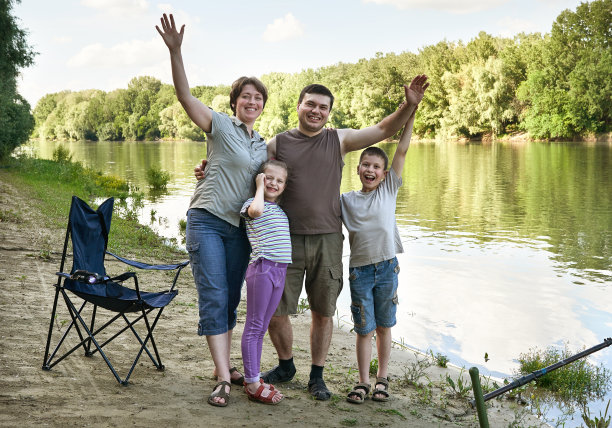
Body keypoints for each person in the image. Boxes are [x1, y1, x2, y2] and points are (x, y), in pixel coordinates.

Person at [196, 75, 429, 400]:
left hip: (328, 240)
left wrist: (409, 105)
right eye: (310, 104)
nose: (316, 111)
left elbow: (382, 130)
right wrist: (209, 167)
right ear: (299, 106)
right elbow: (246, 165)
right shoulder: (278, 143)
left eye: (323, 107)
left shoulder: (339, 140)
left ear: (329, 112)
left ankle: (317, 376)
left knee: (323, 311)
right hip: (283, 242)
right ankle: (286, 363)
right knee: (275, 312)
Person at [156, 13, 268, 407]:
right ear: (235, 102)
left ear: (262, 106)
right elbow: (185, 96)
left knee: (231, 299)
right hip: (206, 221)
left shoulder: (263, 146)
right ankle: (223, 377)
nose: (251, 102)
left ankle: (224, 366)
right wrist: (176, 51)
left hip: (239, 229)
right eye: (245, 97)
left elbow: (274, 181)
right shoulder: (220, 125)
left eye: (257, 98)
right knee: (215, 297)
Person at [341, 106, 418, 404]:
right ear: (357, 169)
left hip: (387, 268)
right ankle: (362, 381)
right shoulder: (346, 200)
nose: (370, 170)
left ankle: (382, 378)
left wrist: (411, 110)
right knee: (364, 329)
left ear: (384, 174)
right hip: (359, 271)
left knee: (385, 326)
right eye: (365, 165)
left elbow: (402, 149)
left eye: (376, 167)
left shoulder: (388, 190)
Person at [240, 160, 292, 405]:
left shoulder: (279, 210)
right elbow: (256, 212)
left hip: (279, 272)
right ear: (260, 178)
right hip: (262, 269)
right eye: (269, 178)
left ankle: (254, 377)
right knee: (254, 326)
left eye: (279, 181)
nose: (274, 183)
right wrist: (259, 188)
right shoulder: (252, 203)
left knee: (261, 328)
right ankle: (252, 383)